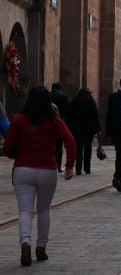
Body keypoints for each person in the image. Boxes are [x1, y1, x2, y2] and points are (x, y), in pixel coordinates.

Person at [4, 86, 75, 265]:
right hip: (47, 170)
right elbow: (71, 141)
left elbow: (8, 146)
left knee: (25, 210)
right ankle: (41, 247)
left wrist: (14, 155)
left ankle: (25, 241)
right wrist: (69, 166)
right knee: (44, 209)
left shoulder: (19, 120)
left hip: (23, 170)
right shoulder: (54, 121)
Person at [66, 86, 101, 175]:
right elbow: (95, 117)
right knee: (88, 149)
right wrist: (98, 129)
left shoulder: (74, 102)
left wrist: (69, 128)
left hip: (76, 130)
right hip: (89, 130)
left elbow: (69, 116)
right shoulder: (91, 102)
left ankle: (78, 168)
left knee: (78, 149)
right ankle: (87, 168)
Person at [51, 80, 69, 172]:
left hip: (47, 123)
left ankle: (50, 164)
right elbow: (66, 112)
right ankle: (58, 166)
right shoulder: (63, 97)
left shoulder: (47, 96)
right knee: (59, 146)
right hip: (59, 123)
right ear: (60, 88)